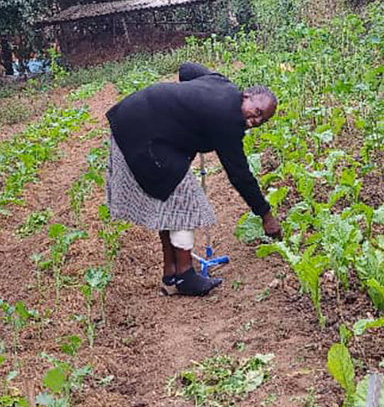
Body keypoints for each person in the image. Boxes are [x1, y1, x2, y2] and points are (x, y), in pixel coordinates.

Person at [105, 61, 281, 296]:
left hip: (133, 119)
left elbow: (187, 69)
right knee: (185, 203)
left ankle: (171, 273)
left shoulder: (222, 84)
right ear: (246, 95)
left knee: (170, 201)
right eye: (257, 112)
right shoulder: (229, 119)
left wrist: (188, 109)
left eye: (263, 121)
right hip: (141, 135)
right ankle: (186, 276)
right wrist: (266, 215)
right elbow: (239, 174)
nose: (256, 121)